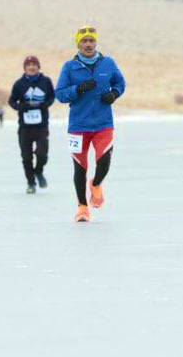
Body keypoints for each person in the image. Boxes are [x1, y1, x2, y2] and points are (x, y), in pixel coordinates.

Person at [56, 25, 126, 222]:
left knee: (104, 161)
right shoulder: (69, 67)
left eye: (91, 40)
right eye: (84, 41)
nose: (88, 44)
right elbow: (60, 94)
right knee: (80, 167)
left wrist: (114, 94)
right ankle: (82, 207)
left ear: (96, 42)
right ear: (78, 44)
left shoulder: (108, 63)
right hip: (78, 126)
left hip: (103, 123)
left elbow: (121, 83)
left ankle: (95, 184)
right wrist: (78, 89)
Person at [8, 55, 55, 194]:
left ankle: (39, 171)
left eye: (34, 64)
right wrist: (21, 107)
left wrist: (45, 105)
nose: (31, 67)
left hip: (41, 125)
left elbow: (52, 96)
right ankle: (31, 183)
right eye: (28, 65)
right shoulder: (19, 84)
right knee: (26, 157)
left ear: (38, 67)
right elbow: (12, 101)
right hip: (25, 126)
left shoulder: (46, 81)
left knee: (42, 154)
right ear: (25, 68)